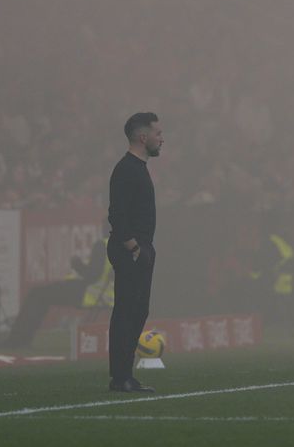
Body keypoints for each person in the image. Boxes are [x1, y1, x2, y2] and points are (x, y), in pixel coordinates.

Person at [107, 112, 163, 393]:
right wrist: (133, 246)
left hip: (140, 249)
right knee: (127, 312)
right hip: (131, 250)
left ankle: (125, 374)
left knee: (138, 311)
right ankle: (120, 377)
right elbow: (116, 213)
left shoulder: (138, 168)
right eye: (157, 133)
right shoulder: (127, 169)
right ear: (143, 137)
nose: (161, 139)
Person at [0, 235, 112, 348]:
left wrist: (77, 265)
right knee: (41, 295)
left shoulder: (103, 245)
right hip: (110, 297)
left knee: (37, 294)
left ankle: (18, 339)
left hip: (89, 294)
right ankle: (22, 338)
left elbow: (92, 276)